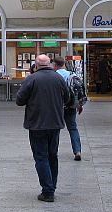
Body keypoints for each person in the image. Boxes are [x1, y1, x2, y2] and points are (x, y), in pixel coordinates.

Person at [15, 54, 74, 202]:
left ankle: (47, 191)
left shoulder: (32, 79)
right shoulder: (58, 78)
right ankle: (51, 187)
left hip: (36, 124)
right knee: (52, 156)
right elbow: (68, 98)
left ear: (36, 65)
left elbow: (19, 101)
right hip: (55, 124)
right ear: (49, 64)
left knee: (41, 157)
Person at [53, 56, 83, 161]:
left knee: (55, 129)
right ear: (64, 64)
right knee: (73, 128)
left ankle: (53, 152)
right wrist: (79, 105)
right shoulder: (72, 75)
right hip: (70, 106)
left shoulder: (53, 76)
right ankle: (77, 151)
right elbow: (78, 91)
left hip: (57, 107)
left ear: (55, 65)